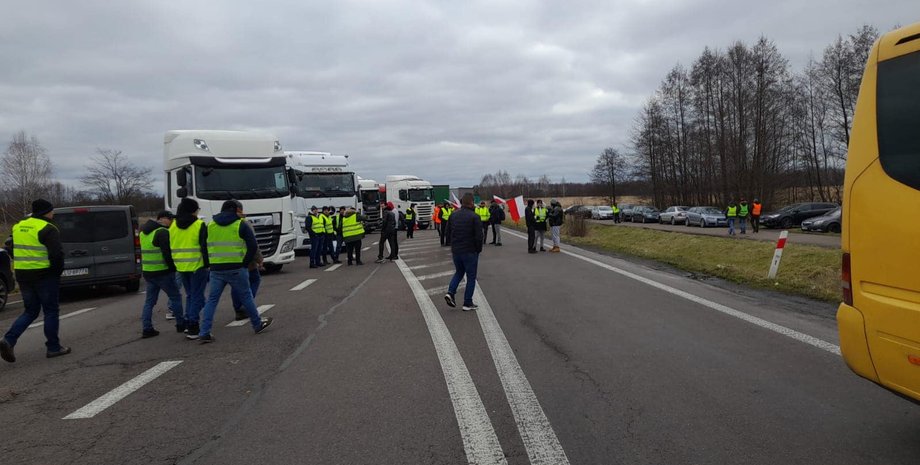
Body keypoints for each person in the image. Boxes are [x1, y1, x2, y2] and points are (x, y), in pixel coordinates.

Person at [0, 199, 69, 362]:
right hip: (44, 276)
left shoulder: (18, 226)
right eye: (51, 211)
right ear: (46, 212)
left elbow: (10, 247)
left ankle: (9, 340)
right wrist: (56, 274)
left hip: (23, 275)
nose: (53, 214)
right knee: (51, 311)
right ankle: (53, 347)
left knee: (30, 311)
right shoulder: (48, 228)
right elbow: (57, 255)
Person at [195, 200, 273, 343]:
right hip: (237, 268)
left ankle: (204, 332)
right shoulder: (240, 224)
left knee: (212, 300)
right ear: (235, 209)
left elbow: (203, 246)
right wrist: (244, 262)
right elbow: (252, 245)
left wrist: (208, 263)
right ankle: (257, 324)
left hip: (216, 269)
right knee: (246, 296)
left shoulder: (210, 225)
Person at [139, 210, 184, 338]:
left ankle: (147, 328)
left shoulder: (143, 233)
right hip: (163, 272)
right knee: (175, 297)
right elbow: (167, 254)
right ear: (163, 219)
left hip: (148, 272)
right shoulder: (162, 232)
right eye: (170, 219)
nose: (172, 222)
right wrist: (173, 268)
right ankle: (181, 324)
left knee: (149, 302)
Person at [171, 197, 209, 338]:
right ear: (193, 211)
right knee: (197, 296)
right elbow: (204, 247)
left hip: (181, 266)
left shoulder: (173, 225)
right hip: (197, 265)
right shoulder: (199, 225)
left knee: (190, 295)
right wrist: (207, 264)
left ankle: (188, 322)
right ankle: (193, 325)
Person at [444, 193, 483, 311]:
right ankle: (467, 302)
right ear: (471, 202)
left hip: (456, 250)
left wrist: (453, 245)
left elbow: (447, 232)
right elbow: (479, 236)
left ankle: (450, 292)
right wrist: (478, 249)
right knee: (471, 277)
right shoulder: (475, 217)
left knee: (459, 272)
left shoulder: (453, 215)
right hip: (470, 250)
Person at [231, 220, 264, 321]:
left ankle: (238, 310)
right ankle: (246, 307)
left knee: (235, 285)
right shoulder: (244, 224)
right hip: (246, 260)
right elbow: (253, 244)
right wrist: (259, 259)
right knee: (255, 280)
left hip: (228, 261)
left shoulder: (216, 225)